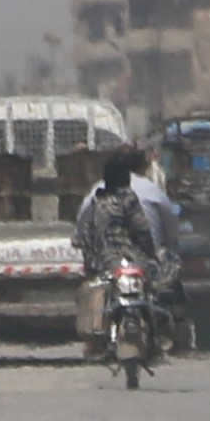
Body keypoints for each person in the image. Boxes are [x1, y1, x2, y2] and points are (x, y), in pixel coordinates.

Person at [71, 147, 171, 344]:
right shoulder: (129, 199)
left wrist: (89, 255)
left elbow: (82, 235)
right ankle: (161, 333)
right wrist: (151, 254)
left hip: (102, 264)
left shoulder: (96, 200)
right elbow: (142, 230)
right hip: (132, 260)